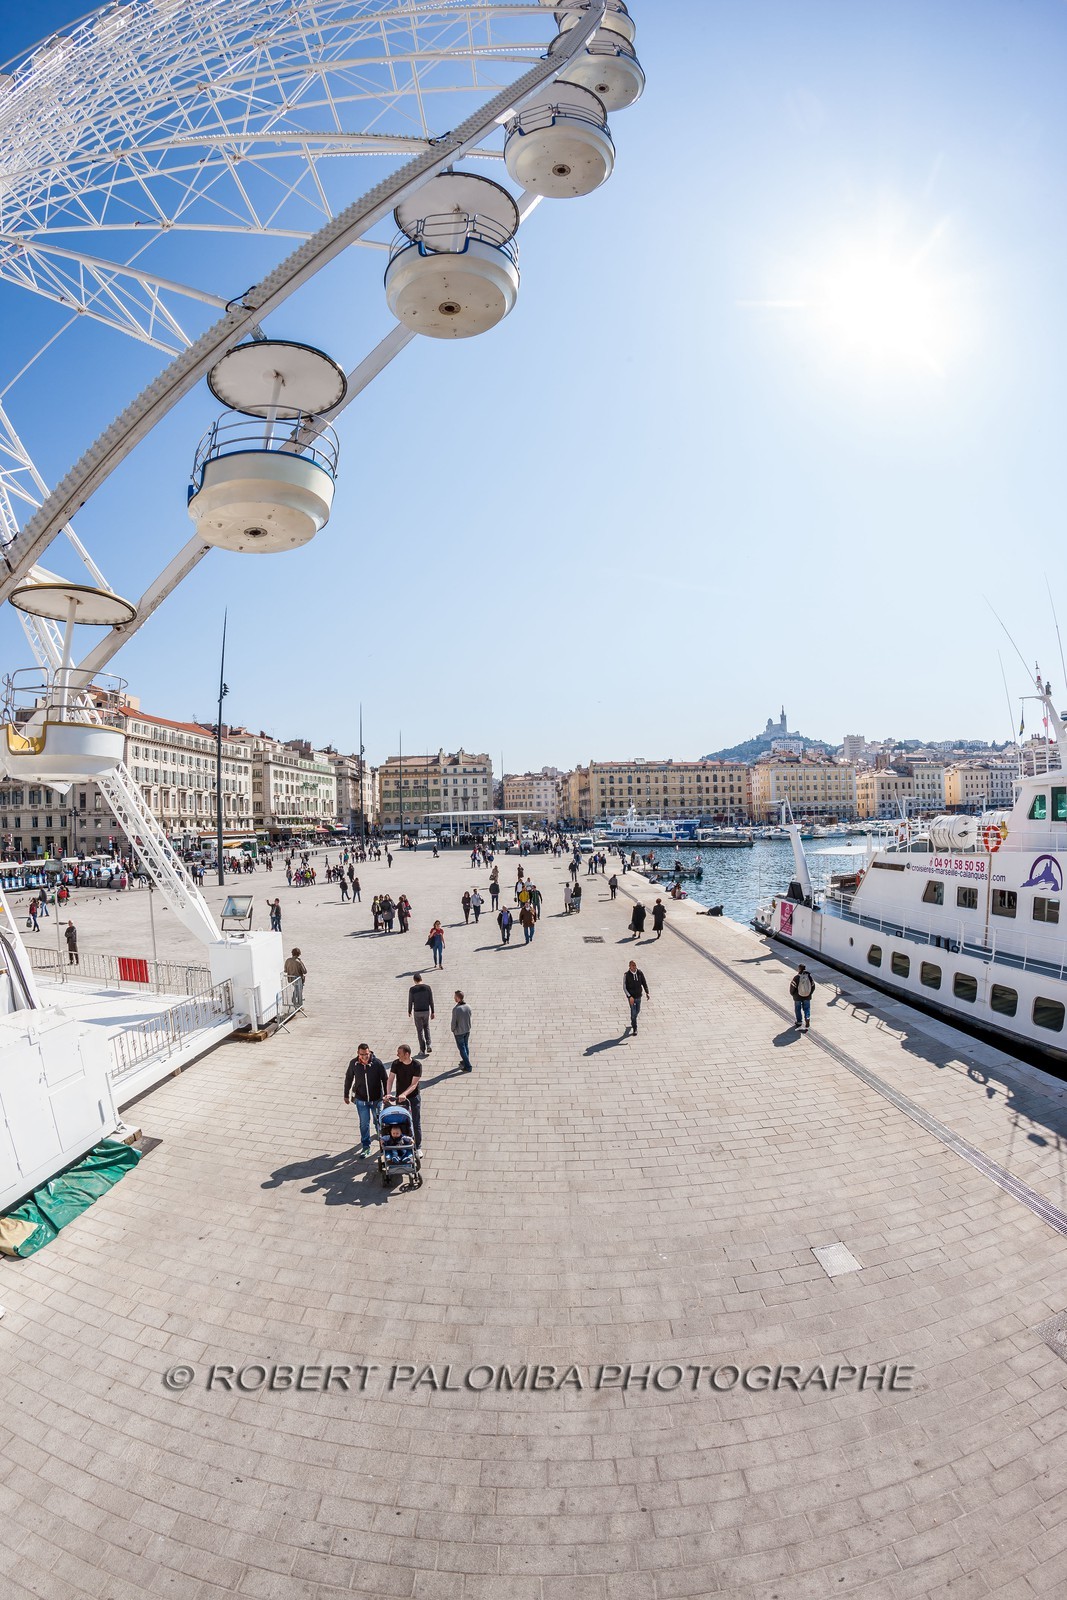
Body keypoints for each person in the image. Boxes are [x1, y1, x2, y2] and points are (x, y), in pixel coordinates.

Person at [344, 1042, 388, 1158]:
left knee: (379, 1121)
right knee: (364, 1124)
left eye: (367, 1054)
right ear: (358, 1054)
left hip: (376, 1099)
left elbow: (385, 1079)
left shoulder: (377, 1063)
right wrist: (346, 1094)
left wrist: (386, 1095)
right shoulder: (354, 1064)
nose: (365, 1057)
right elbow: (348, 1078)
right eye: (362, 1054)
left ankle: (382, 1141)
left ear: (370, 1052)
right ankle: (366, 1146)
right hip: (361, 1100)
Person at [388, 1044, 422, 1153]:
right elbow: (390, 1079)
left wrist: (404, 1094)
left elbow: (414, 1085)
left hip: (413, 1098)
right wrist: (388, 1094)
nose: (397, 1055)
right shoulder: (396, 1063)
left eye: (399, 1053)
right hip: (400, 1099)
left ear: (407, 1054)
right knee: (401, 1121)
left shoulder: (417, 1065)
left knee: (415, 1122)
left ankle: (418, 1146)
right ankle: (402, 1143)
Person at [408, 973, 435, 1054]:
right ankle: (429, 1044)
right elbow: (431, 1001)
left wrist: (409, 1011)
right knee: (426, 1027)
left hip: (417, 1011)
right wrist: (433, 1011)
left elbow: (410, 1001)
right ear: (421, 978)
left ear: (414, 980)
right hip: (426, 1011)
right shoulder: (428, 988)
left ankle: (422, 1049)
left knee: (419, 1031)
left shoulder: (412, 989)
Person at [623, 960, 649, 1035]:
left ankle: (633, 1019)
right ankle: (635, 1028)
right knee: (633, 1012)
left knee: (637, 1010)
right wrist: (629, 996)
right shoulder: (626, 975)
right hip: (632, 998)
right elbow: (624, 987)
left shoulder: (640, 973)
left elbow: (644, 982)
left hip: (639, 996)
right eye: (632, 965)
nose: (634, 967)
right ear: (629, 966)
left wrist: (647, 992)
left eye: (635, 965)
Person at [451, 989, 473, 1072]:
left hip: (459, 1032)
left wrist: (453, 1029)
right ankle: (465, 1060)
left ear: (458, 998)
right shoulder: (468, 1006)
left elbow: (453, 1022)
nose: (454, 998)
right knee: (466, 1046)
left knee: (462, 1049)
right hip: (467, 1030)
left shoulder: (456, 1009)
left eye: (455, 997)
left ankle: (468, 1066)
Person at [790, 964, 815, 1031]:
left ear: (799, 969)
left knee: (798, 1009)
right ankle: (807, 1017)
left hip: (797, 997)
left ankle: (799, 1022)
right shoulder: (809, 977)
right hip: (807, 996)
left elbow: (792, 988)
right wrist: (809, 993)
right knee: (807, 1008)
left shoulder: (796, 978)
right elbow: (813, 986)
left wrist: (792, 994)